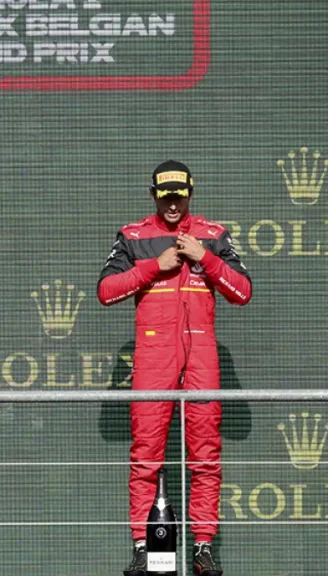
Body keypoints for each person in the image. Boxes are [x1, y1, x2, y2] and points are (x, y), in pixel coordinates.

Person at [98, 161, 251, 576]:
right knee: (146, 454)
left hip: (201, 353)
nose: (171, 202)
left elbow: (243, 291)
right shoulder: (133, 236)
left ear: (190, 193)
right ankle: (142, 549)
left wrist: (206, 258)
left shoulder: (214, 235)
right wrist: (155, 266)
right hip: (153, 355)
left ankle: (203, 547)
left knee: (206, 455)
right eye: (164, 194)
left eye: (178, 194)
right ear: (153, 195)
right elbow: (105, 291)